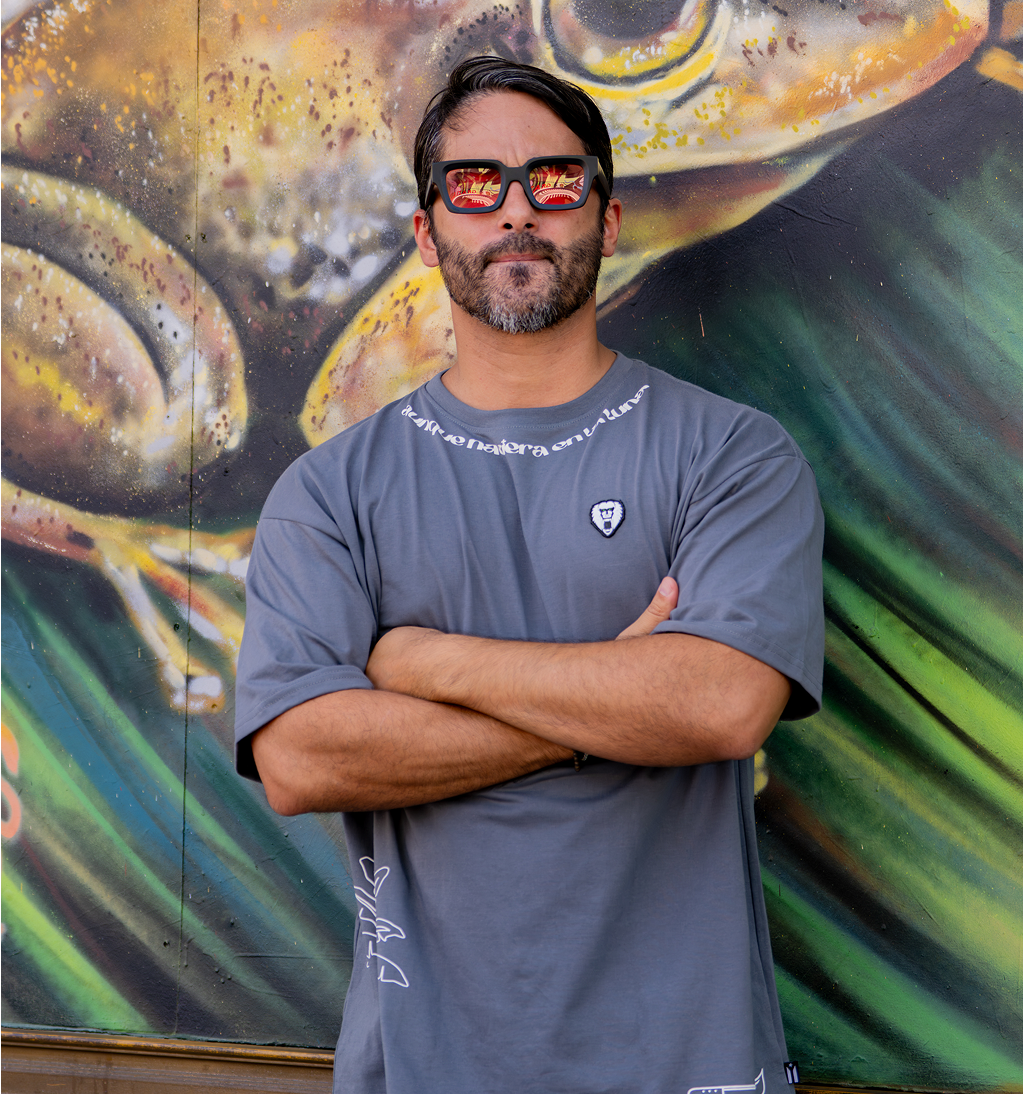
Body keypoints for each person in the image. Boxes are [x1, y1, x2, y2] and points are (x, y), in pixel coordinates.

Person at [235, 55, 824, 1094]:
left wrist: (424, 661)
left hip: (688, 1065)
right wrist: (613, 697)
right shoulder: (329, 493)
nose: (516, 210)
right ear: (427, 233)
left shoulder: (731, 454)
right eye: (474, 184)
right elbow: (300, 758)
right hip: (424, 1069)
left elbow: (721, 703)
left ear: (606, 216)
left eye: (554, 180)